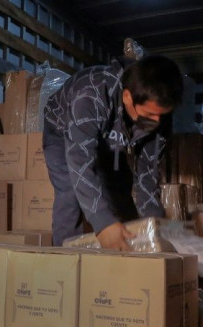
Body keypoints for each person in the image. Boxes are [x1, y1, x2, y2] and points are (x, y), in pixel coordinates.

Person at [43, 54, 183, 250]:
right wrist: (103, 223)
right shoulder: (90, 95)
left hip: (107, 134)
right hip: (62, 129)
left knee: (119, 192)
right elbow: (80, 162)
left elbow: (147, 177)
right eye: (150, 114)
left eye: (163, 115)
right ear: (127, 97)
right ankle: (64, 266)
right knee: (70, 195)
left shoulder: (157, 117)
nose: (157, 122)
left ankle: (126, 258)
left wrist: (155, 228)